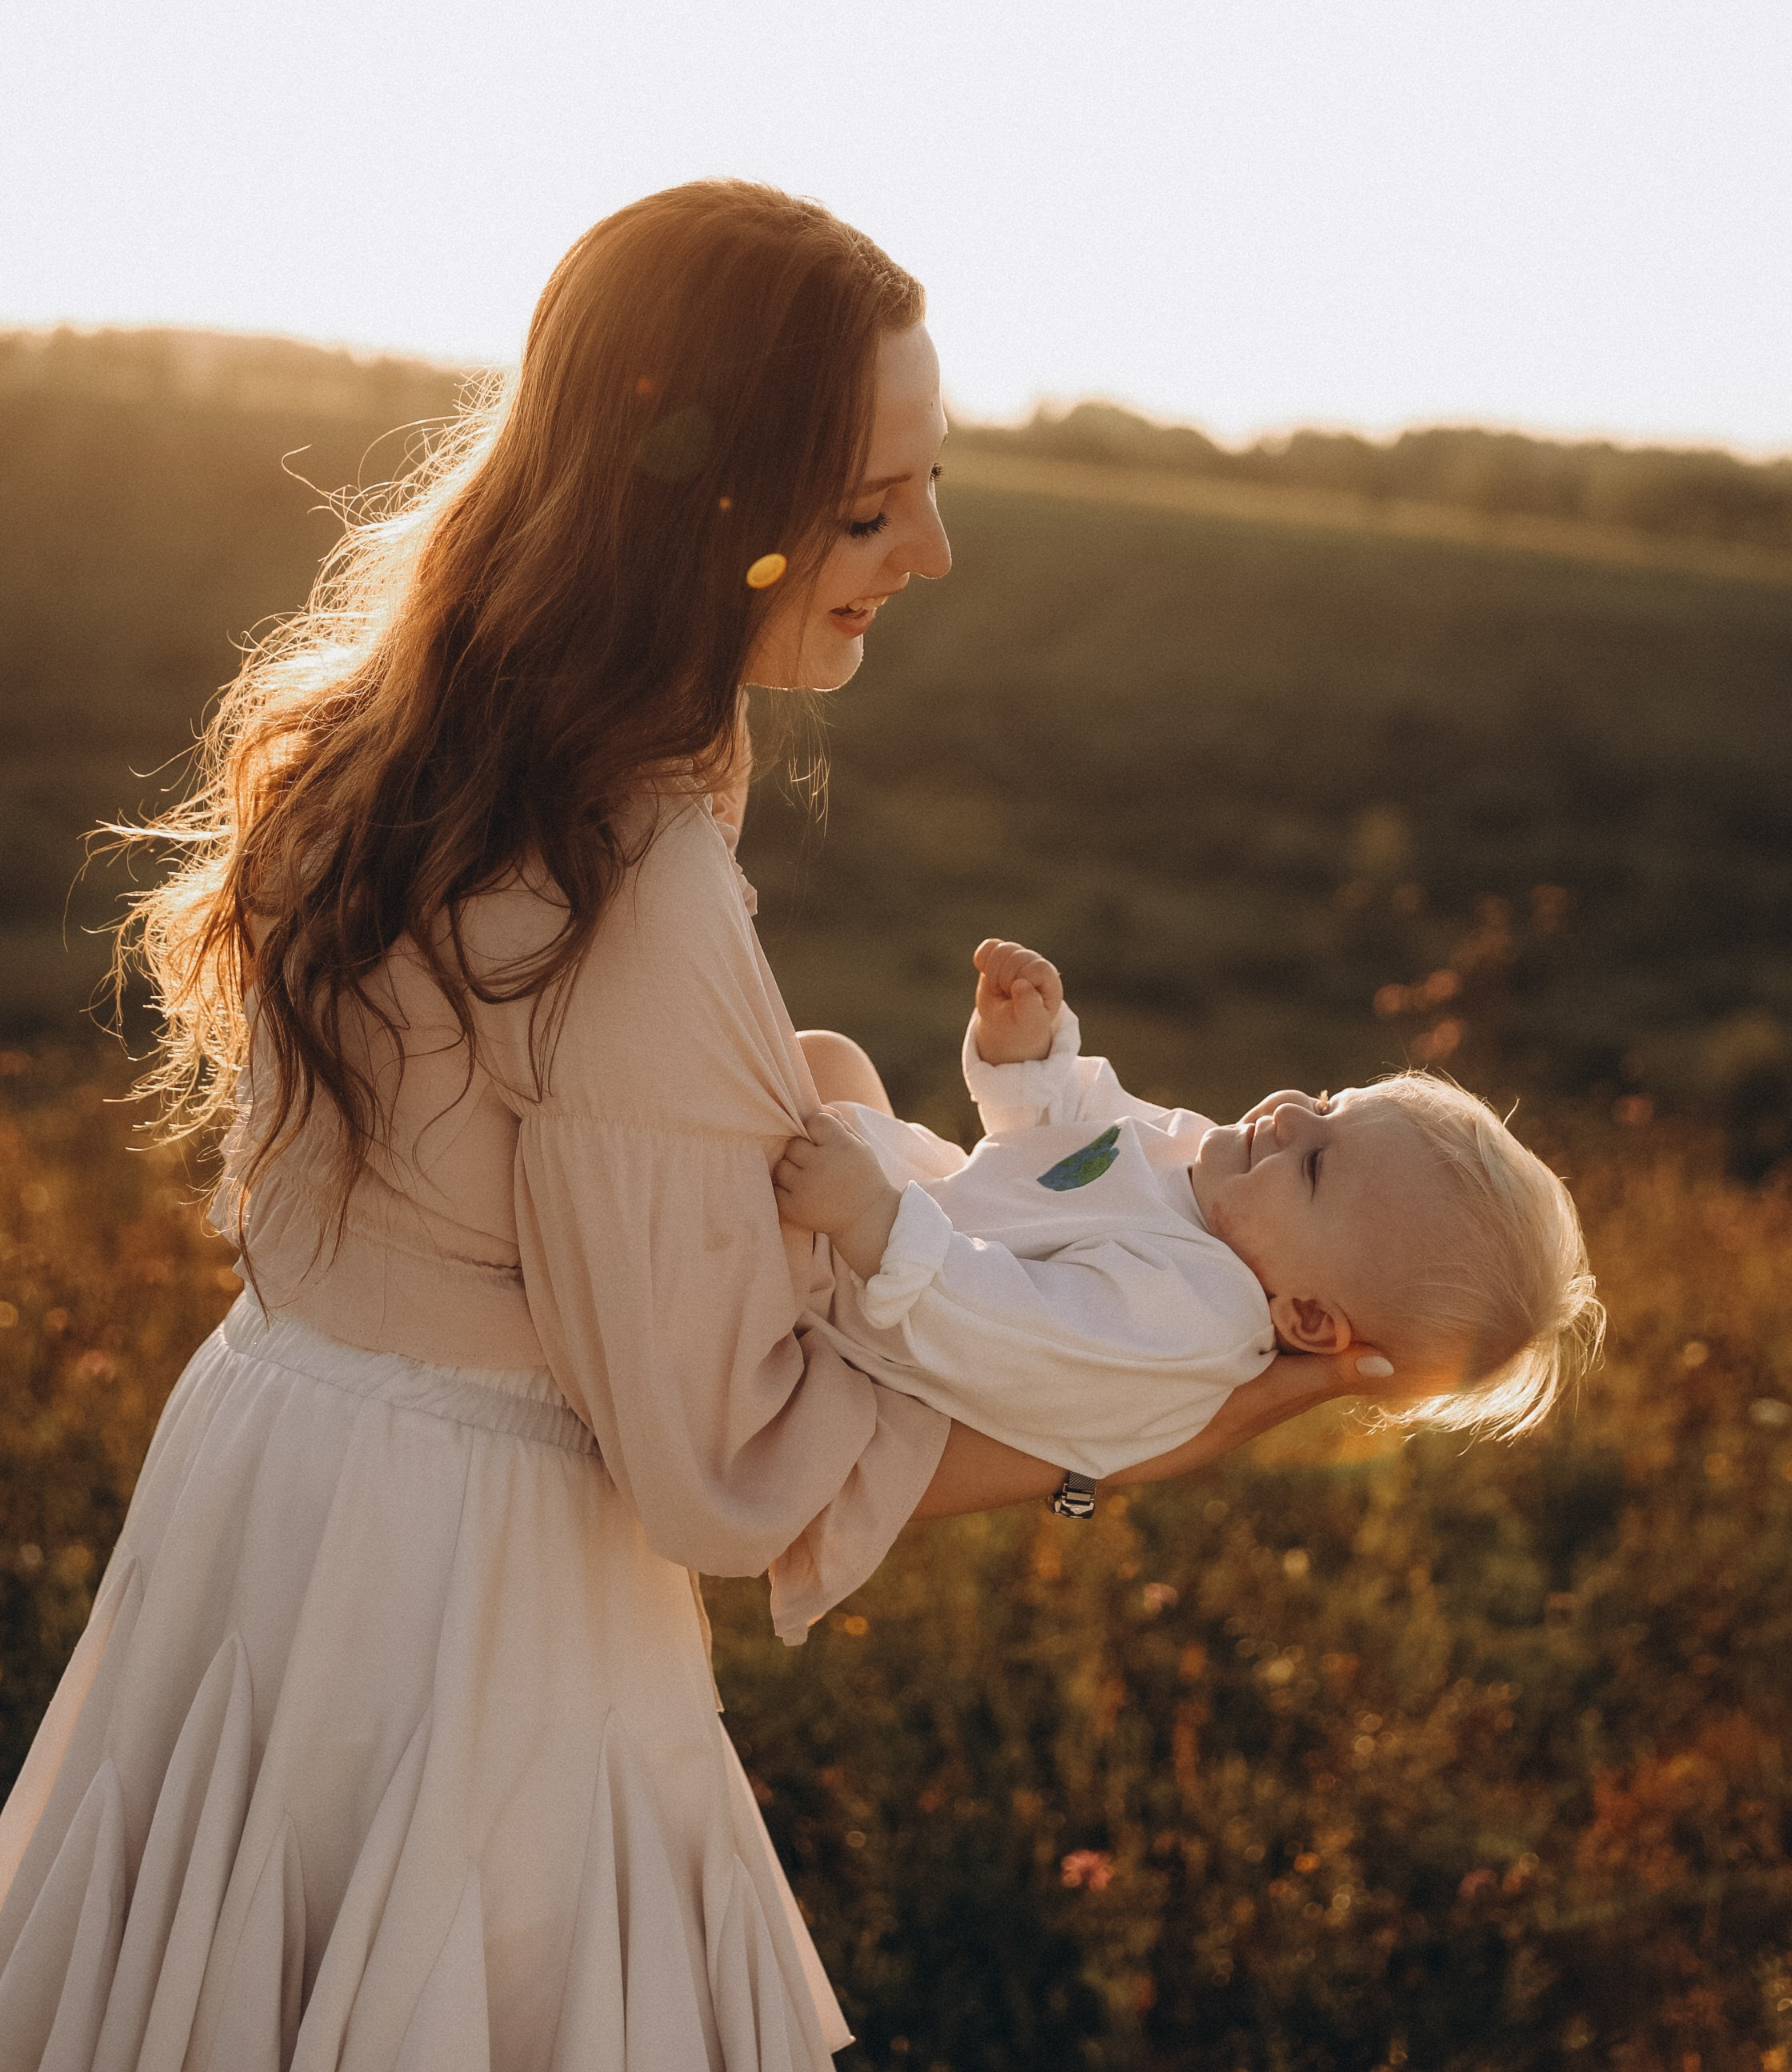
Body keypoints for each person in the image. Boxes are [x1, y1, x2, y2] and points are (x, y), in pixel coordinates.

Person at [0, 182, 1382, 2072]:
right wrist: (1164, 1422)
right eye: (871, 506)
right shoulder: (628, 883)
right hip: (467, 1593)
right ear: (703, 511)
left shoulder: (392, 733)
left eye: (929, 485)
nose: (936, 550)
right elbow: (731, 1465)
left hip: (275, 1463)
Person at [772, 942, 1604, 1508]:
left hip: (850, 1311)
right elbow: (1071, 1150)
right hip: (908, 1226)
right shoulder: (1210, 1175)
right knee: (824, 1057)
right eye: (1325, 1105)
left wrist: (868, 1217)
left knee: (771, 1100)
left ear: (1307, 1317)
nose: (1285, 1118)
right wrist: (1025, 1063)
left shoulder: (1193, 1316)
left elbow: (1003, 1326)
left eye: (1315, 1166)